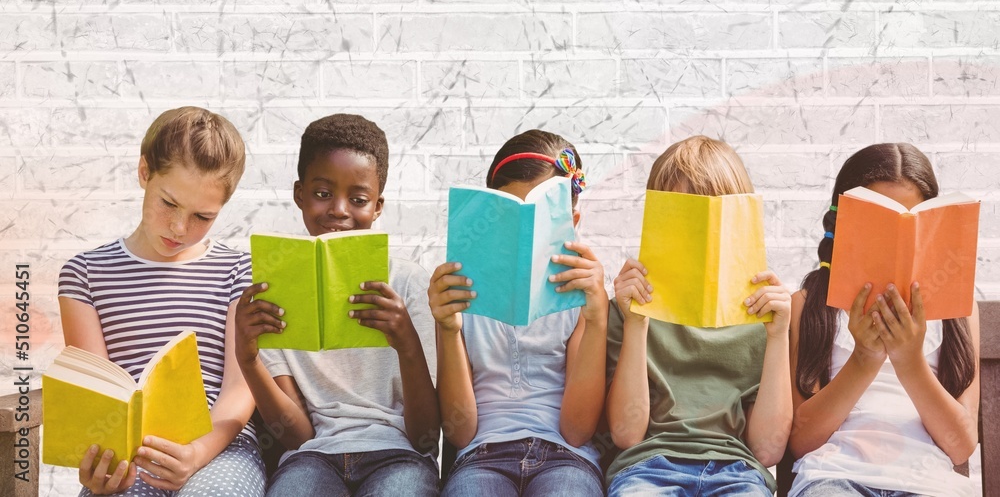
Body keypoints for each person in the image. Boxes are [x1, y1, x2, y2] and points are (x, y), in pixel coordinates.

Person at [58, 106, 265, 496]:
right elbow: (98, 400)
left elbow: (241, 388)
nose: (179, 228)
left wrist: (196, 453)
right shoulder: (84, 273)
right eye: (168, 203)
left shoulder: (240, 270)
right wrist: (102, 472)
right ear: (144, 173)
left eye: (202, 216)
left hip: (221, 446)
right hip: (129, 456)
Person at [234, 113, 440, 497]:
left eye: (358, 199)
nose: (340, 210)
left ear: (377, 206)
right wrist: (247, 360)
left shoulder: (409, 284)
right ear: (299, 194)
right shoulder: (273, 290)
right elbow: (297, 436)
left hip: (400, 455)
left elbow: (427, 438)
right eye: (323, 193)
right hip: (313, 458)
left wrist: (407, 344)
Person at [788, 143, 980, 497]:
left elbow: (961, 446)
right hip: (833, 474)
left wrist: (909, 361)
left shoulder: (957, 309)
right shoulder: (808, 304)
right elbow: (801, 441)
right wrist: (865, 358)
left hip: (929, 482)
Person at [606, 135, 792, 496]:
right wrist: (636, 323)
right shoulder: (629, 309)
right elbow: (626, 434)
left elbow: (768, 449)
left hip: (738, 471)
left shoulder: (762, 318)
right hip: (647, 467)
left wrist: (778, 337)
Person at [428, 129, 608, 497]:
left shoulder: (581, 298)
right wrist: (447, 329)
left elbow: (577, 430)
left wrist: (597, 316)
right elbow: (460, 432)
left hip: (567, 457)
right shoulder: (461, 293)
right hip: (481, 456)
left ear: (573, 221)